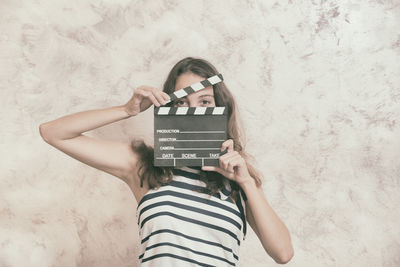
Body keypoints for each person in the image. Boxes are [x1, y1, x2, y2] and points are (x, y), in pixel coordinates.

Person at [39, 57, 294, 266]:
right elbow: (53, 133)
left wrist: (247, 182)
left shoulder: (239, 178)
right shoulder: (143, 166)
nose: (192, 111)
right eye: (182, 102)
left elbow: (283, 253)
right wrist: (127, 110)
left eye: (204, 101)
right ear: (170, 110)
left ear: (221, 108)